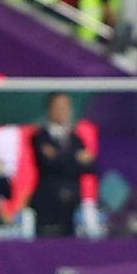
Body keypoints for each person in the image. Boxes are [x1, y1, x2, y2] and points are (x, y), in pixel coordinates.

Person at [30, 93, 95, 237]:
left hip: (72, 208)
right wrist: (75, 159)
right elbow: (47, 164)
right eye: (58, 107)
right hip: (48, 206)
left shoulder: (76, 139)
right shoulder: (39, 137)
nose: (63, 111)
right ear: (49, 109)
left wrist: (58, 156)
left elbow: (89, 167)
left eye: (66, 107)